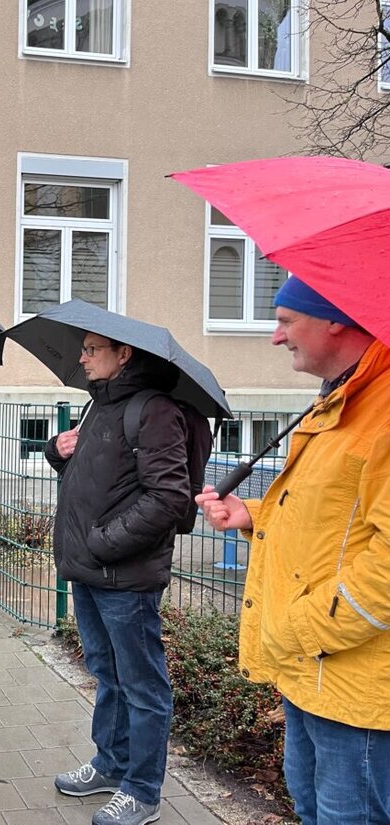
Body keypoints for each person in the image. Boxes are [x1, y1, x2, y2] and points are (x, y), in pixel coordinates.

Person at [196, 277, 390, 825]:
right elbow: (330, 514)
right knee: (310, 808)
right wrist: (252, 514)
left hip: (354, 687)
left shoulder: (382, 414)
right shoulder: (341, 398)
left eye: (285, 321)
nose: (275, 337)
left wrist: (301, 628)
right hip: (313, 672)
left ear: (335, 320)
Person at [44, 332, 191, 825]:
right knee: (107, 674)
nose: (82, 357)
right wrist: (57, 451)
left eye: (92, 349)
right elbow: (96, 478)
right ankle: (111, 764)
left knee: (142, 686)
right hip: (89, 570)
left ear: (123, 354)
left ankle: (143, 791)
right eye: (83, 348)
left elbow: (170, 497)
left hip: (124, 576)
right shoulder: (98, 405)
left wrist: (105, 543)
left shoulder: (154, 411)